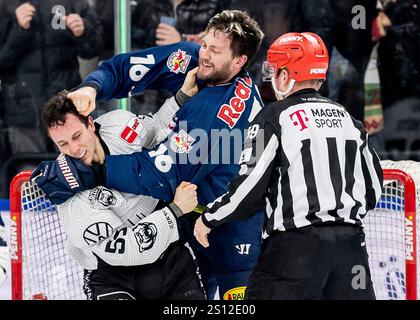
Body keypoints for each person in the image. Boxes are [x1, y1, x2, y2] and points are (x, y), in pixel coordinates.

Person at [34, 10, 265, 300]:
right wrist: (92, 87)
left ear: (239, 61)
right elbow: (124, 70)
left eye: (215, 51)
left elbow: (161, 173)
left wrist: (91, 170)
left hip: (232, 225)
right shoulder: (192, 59)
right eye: (205, 43)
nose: (203, 54)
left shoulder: (221, 114)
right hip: (188, 219)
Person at [194, 32, 384, 300]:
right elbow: (374, 189)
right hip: (351, 251)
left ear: (286, 75)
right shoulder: (351, 121)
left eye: (275, 71)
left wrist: (208, 217)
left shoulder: (272, 117)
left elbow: (248, 190)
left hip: (295, 252)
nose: (272, 78)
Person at [32, 83, 205, 300]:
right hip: (112, 276)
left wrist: (180, 97)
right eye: (63, 144)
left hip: (170, 259)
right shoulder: (65, 191)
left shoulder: (119, 126)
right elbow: (131, 249)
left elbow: (157, 129)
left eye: (77, 136)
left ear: (90, 124)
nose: (74, 150)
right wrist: (175, 210)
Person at [0, 0, 103, 155]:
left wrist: (83, 31)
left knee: (74, 172)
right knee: (28, 174)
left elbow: (96, 46)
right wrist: (18, 30)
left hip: (66, 108)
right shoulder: (6, 5)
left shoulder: (71, 2)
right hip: (23, 112)